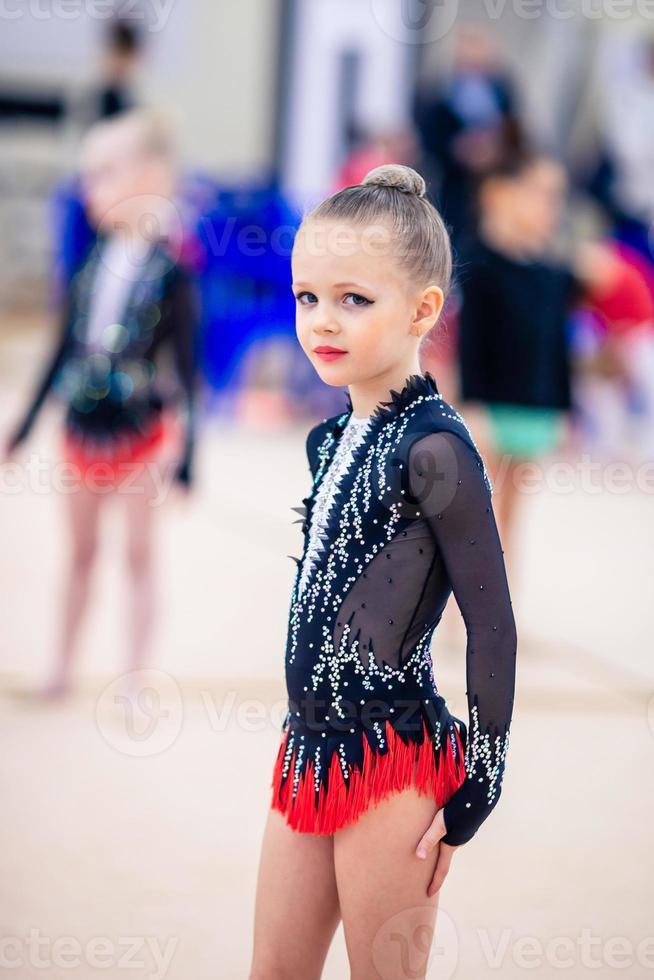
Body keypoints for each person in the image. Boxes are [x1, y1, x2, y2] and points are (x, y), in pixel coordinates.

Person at [249, 165, 517, 980]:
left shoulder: (435, 449)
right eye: (307, 298)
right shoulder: (329, 440)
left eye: (353, 300)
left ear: (423, 309)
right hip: (308, 749)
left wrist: (480, 781)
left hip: (393, 762)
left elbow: (493, 622)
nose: (322, 322)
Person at [3, 108, 199, 699]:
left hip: (142, 430)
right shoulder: (88, 263)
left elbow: (190, 369)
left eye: (103, 174)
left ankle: (137, 676)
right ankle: (61, 666)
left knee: (138, 553)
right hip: (82, 426)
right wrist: (23, 426)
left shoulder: (173, 271)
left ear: (151, 176)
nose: (88, 189)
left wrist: (192, 460)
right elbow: (60, 348)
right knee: (81, 552)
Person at [456, 151, 578, 564]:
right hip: (491, 408)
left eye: (556, 197)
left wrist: (563, 409)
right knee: (475, 511)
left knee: (512, 516)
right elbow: (469, 343)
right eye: (540, 194)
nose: (550, 207)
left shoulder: (552, 274)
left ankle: (501, 607)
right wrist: (472, 405)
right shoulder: (481, 264)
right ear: (501, 194)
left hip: (535, 409)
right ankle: (459, 611)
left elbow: (558, 348)